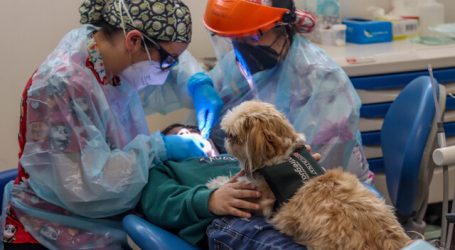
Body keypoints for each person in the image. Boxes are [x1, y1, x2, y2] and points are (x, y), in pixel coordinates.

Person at [0, 0, 222, 249]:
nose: (169, 70)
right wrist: (160, 148)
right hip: (51, 228)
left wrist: (197, 83)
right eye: (169, 61)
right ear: (134, 41)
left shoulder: (112, 60)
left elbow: (170, 65)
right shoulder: (62, 85)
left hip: (107, 217)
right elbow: (87, 186)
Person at [184, 0, 375, 248]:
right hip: (269, 188)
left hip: (326, 196)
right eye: (236, 39)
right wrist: (193, 133)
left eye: (252, 36)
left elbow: (305, 176)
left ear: (282, 27)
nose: (243, 48)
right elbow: (213, 130)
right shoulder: (235, 66)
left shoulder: (323, 81)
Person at [141, 124, 321, 249]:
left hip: (284, 209)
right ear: (165, 147)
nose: (189, 135)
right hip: (230, 220)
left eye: (194, 131)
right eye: (179, 135)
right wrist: (210, 200)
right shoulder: (165, 168)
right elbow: (159, 204)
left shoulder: (239, 159)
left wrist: (297, 166)